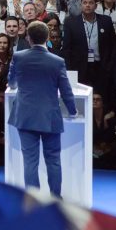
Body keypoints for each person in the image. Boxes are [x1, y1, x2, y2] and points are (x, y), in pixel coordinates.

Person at [7, 21, 77, 196]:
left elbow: (12, 83)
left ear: (28, 38)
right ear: (47, 38)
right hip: (49, 116)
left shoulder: (18, 57)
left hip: (25, 115)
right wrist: (73, 110)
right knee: (53, 160)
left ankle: (33, 200)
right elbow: (66, 90)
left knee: (30, 162)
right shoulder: (57, 61)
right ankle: (55, 199)